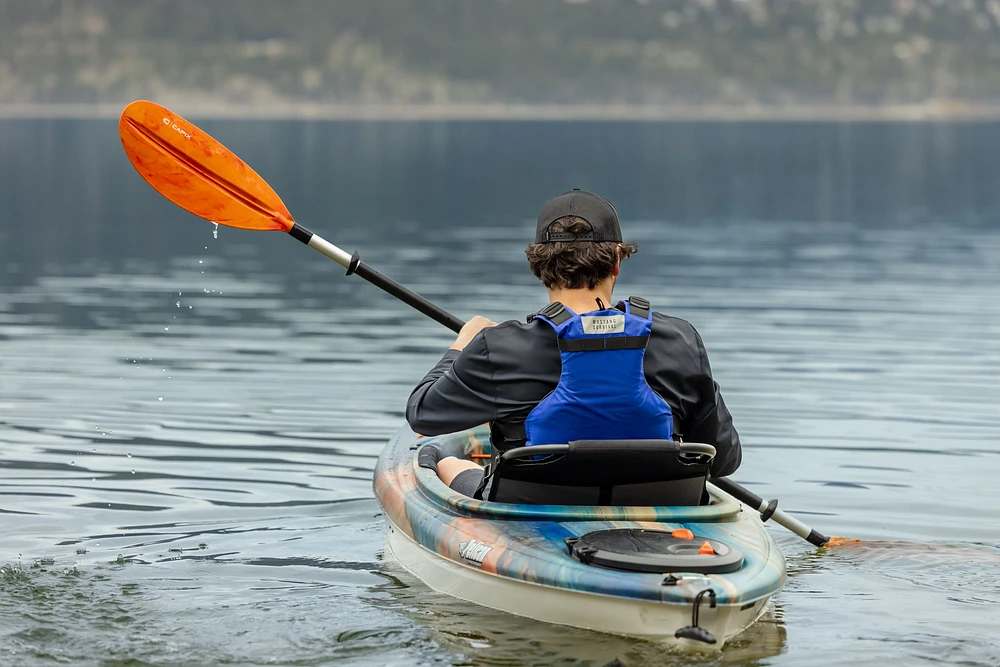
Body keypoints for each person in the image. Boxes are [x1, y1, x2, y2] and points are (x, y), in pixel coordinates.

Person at [406, 189, 741, 499]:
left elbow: (423, 414)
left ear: (538, 269)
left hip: (531, 510)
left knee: (442, 460)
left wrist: (462, 345)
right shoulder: (680, 339)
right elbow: (723, 459)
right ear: (616, 263)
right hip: (660, 507)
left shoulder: (499, 348)